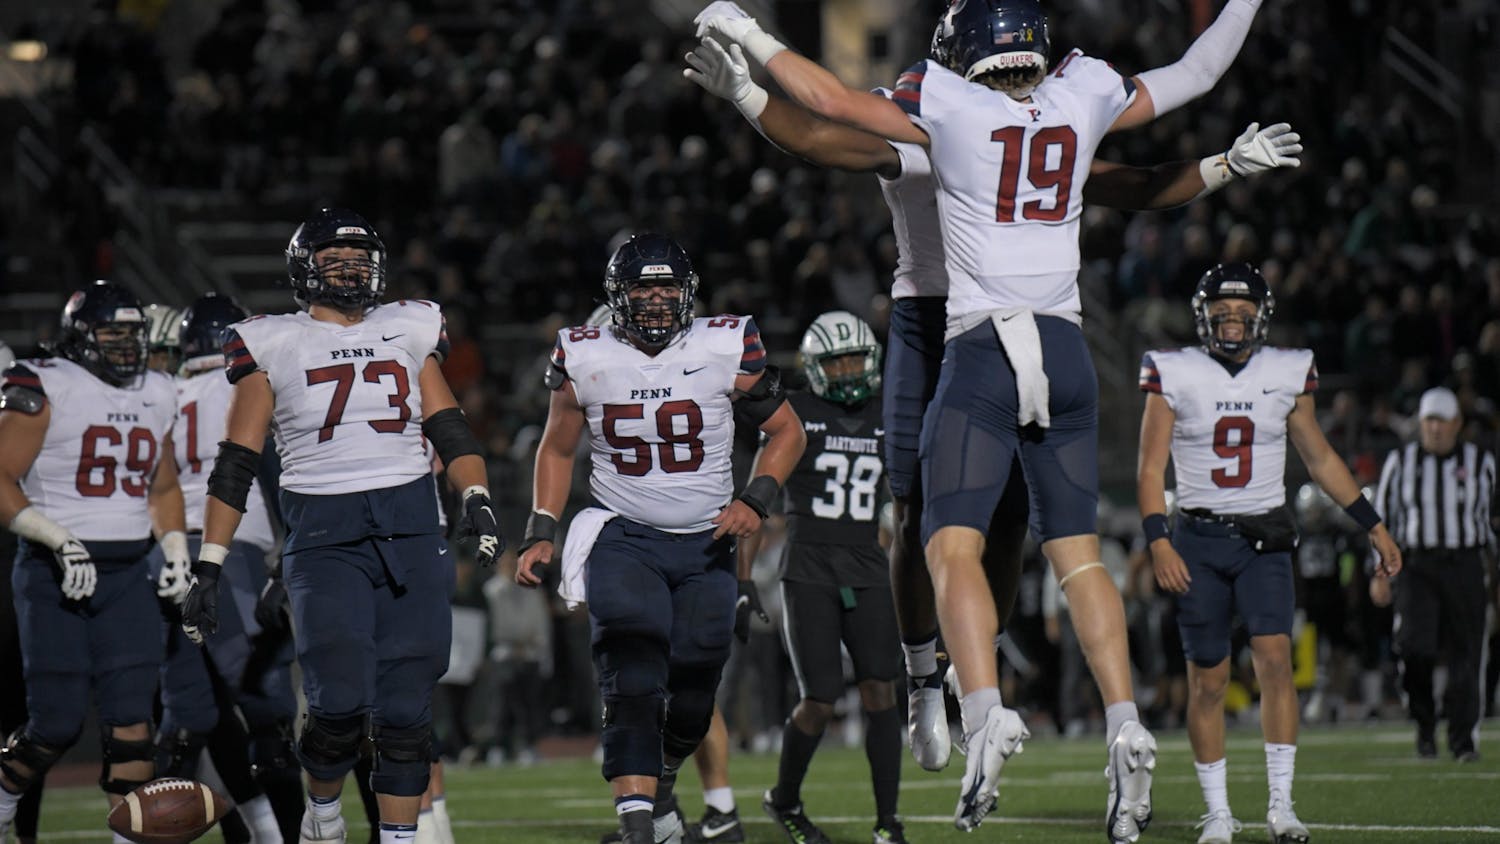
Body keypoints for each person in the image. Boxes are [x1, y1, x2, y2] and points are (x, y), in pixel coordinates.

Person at [695, 0, 1279, 832]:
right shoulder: (1070, 98)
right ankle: (939, 681)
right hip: (993, 328)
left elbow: (828, 110)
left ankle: (978, 696)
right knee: (943, 512)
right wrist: (1226, 159)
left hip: (978, 336)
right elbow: (827, 139)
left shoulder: (946, 103)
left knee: (973, 532)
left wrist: (752, 65)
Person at [177, 208, 503, 843]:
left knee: (408, 710)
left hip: (411, 526)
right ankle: (322, 816)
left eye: (360, 259)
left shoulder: (410, 326)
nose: (351, 271)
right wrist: (211, 562)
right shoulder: (272, 338)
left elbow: (449, 424)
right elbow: (237, 463)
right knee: (338, 704)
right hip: (325, 536)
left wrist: (479, 496)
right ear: (306, 269)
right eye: (334, 260)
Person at [514, 233, 805, 844]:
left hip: (706, 543)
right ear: (617, 296)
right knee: (631, 667)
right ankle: (639, 825)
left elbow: (787, 433)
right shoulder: (584, 352)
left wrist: (757, 499)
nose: (653, 299)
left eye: (665, 287)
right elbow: (558, 445)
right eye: (642, 288)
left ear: (687, 292)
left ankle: (666, 778)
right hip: (624, 536)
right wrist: (542, 529)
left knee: (698, 688)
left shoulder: (724, 345)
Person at [1136, 263, 1402, 844]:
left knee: (1276, 660)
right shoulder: (1174, 370)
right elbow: (1150, 467)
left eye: (1243, 313)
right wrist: (1158, 538)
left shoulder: (1286, 370)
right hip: (1198, 540)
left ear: (1261, 316)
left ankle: (1281, 804)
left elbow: (1321, 458)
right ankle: (1218, 811)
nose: (1232, 323)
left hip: (1265, 539)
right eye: (1222, 313)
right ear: (1203, 316)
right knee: (1207, 680)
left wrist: (1372, 525)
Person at [0, 281, 189, 840]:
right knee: (53, 725)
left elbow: (164, 484)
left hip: (128, 573)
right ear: (81, 336)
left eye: (132, 334)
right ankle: (3, 802)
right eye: (112, 333)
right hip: (51, 568)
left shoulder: (158, 389)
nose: (125, 345)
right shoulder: (49, 384)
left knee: (133, 726)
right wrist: (55, 537)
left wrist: (174, 543)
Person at [740, 311, 905, 844]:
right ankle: (784, 797)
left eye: (857, 358)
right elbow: (755, 499)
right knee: (821, 697)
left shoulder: (888, 414)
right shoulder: (797, 415)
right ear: (815, 368)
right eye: (839, 361)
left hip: (867, 563)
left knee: (882, 689)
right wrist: (742, 580)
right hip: (809, 567)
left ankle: (887, 821)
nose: (851, 369)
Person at [154, 293, 302, 841]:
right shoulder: (250, 384)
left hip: (167, 554)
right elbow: (278, 468)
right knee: (269, 715)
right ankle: (284, 836)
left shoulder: (162, 391)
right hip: (234, 554)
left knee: (186, 719)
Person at [1370, 386, 1494, 762]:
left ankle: (1463, 741)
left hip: (1466, 564)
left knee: (1467, 656)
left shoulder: (1481, 462)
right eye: (1428, 421)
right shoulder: (1400, 462)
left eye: (1441, 421)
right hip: (1416, 566)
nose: (1434, 429)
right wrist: (1377, 572)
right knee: (1414, 647)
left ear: (1457, 424)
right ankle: (1425, 724)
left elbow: (1492, 523)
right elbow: (1380, 522)